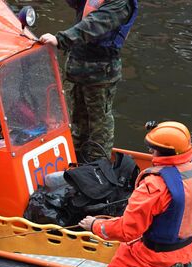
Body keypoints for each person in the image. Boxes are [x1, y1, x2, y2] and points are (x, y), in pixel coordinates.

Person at [78, 121, 192, 267]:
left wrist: (95, 225)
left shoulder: (154, 186)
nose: (150, 151)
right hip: (190, 248)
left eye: (151, 148)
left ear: (157, 151)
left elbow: (128, 231)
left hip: (153, 256)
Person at [39, 0, 139, 162]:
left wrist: (61, 39)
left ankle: (98, 168)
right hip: (78, 68)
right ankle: (76, 160)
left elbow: (95, 24)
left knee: (99, 124)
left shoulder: (121, 3)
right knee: (78, 122)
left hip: (100, 74)